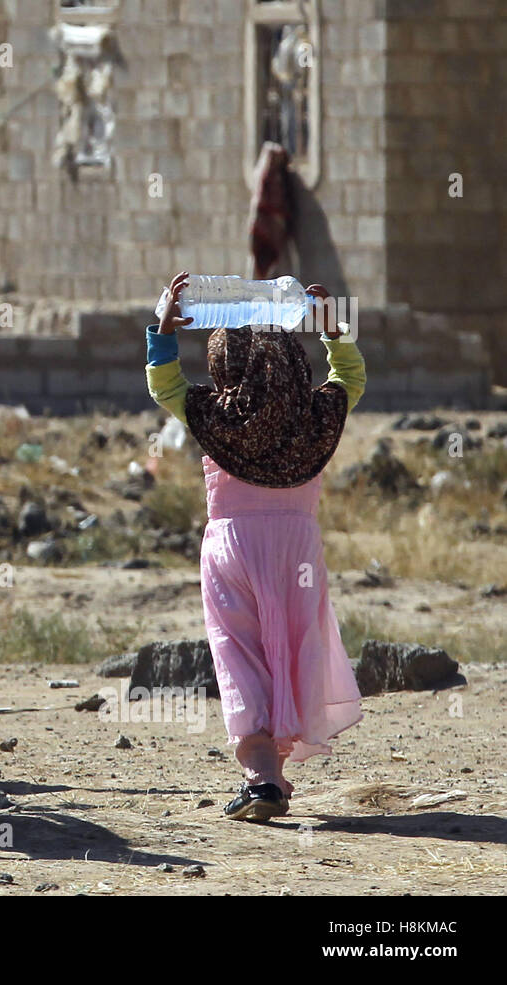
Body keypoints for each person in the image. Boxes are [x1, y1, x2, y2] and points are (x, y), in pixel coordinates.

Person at [146, 271, 366, 821]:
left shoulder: (215, 416)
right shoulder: (318, 418)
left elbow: (164, 385)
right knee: (294, 650)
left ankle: (262, 776)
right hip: (298, 552)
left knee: (239, 655)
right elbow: (351, 378)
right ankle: (277, 768)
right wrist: (334, 332)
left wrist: (163, 331)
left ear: (223, 367)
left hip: (232, 548)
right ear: (293, 363)